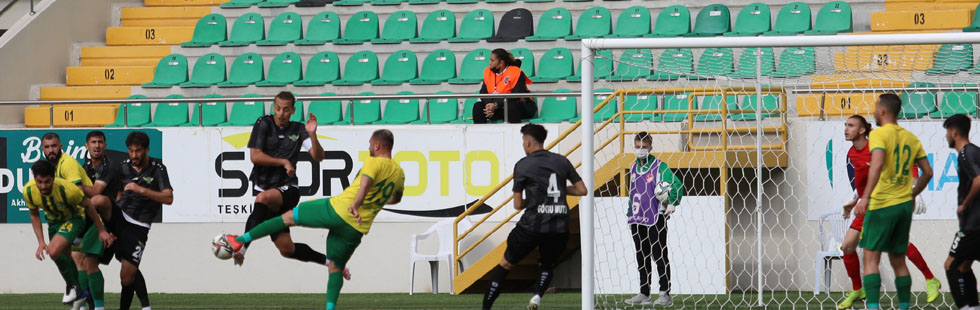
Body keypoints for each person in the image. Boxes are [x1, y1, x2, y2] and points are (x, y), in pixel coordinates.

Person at [224, 129, 404, 310]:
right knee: (336, 267)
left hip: (337, 209)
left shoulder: (374, 162)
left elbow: (365, 183)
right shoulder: (398, 173)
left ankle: (240, 240)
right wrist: (373, 202)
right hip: (356, 228)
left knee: (287, 218)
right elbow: (396, 199)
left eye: (370, 144)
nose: (369, 147)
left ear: (377, 145)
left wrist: (356, 205)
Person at [837, 115, 941, 309]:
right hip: (867, 205)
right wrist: (853, 201)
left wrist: (915, 191)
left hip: (885, 202)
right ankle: (858, 288)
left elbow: (907, 162)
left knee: (897, 247)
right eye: (845, 125)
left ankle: (930, 279)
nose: (845, 129)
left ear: (862, 130)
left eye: (850, 125)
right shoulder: (852, 153)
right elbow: (863, 182)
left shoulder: (876, 146)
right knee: (847, 247)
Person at [482, 124, 588, 310]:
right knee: (546, 264)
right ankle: (537, 296)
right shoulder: (562, 161)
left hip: (531, 225)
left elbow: (517, 205)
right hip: (559, 226)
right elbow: (582, 190)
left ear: (528, 142)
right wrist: (561, 192)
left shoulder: (523, 165)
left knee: (506, 263)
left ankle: (486, 307)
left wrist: (531, 201)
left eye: (524, 141)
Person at [234, 91, 328, 267]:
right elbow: (255, 156)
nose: (281, 113)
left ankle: (242, 248)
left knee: (262, 198)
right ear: (273, 107)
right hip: (265, 189)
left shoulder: (299, 129)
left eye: (286, 110)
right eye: (277, 108)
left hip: (288, 189)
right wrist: (284, 161)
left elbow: (318, 156)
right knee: (287, 249)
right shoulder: (264, 123)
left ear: (293, 110)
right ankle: (330, 262)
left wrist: (313, 135)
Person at [24, 160, 112, 308]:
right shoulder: (28, 191)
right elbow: (34, 215)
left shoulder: (68, 190)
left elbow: (89, 206)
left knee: (53, 251)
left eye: (47, 182)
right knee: (65, 257)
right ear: (34, 179)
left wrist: (101, 230)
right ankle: (79, 292)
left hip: (75, 220)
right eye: (39, 182)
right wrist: (40, 242)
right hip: (54, 225)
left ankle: (73, 287)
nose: (43, 186)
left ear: (53, 177)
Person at [623, 132, 684, 306]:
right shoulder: (633, 167)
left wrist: (672, 202)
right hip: (637, 218)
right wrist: (630, 214)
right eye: (637, 146)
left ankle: (665, 294)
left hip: (655, 217)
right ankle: (644, 293)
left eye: (644, 147)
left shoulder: (659, 167)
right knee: (641, 256)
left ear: (650, 147)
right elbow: (633, 193)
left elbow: (677, 184)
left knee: (659, 254)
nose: (640, 150)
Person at [114, 131, 173, 310]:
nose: (134, 155)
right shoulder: (123, 167)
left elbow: (168, 198)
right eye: (131, 151)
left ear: (147, 150)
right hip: (120, 218)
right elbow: (117, 193)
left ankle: (145, 306)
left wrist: (141, 190)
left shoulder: (158, 168)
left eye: (138, 151)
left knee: (127, 275)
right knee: (87, 257)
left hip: (140, 224)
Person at [41, 132, 96, 309]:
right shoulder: (50, 168)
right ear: (42, 149)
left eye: (54, 146)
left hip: (83, 216)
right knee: (73, 260)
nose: (51, 150)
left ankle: (87, 301)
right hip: (69, 219)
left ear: (61, 146)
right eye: (47, 147)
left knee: (79, 261)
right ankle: (83, 297)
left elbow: (78, 194)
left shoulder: (67, 163)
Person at [79, 131, 128, 310]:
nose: (97, 145)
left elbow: (96, 193)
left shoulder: (110, 165)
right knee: (83, 262)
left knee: (97, 200)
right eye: (93, 142)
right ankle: (88, 305)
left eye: (100, 142)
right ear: (87, 145)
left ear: (105, 145)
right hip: (93, 219)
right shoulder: (84, 167)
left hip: (110, 217)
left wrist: (73, 186)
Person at [942, 114, 980, 310]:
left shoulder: (967, 153)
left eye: (947, 132)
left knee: (952, 265)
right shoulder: (974, 152)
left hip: (974, 225)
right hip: (974, 224)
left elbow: (978, 180)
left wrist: (964, 204)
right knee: (964, 265)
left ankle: (966, 307)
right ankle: (973, 306)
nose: (946, 136)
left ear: (954, 132)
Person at [473, 48, 536, 124]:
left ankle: (514, 133)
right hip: (497, 108)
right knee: (478, 106)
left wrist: (495, 105)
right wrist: (489, 106)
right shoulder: (488, 72)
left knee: (511, 106)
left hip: (519, 107)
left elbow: (516, 95)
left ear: (501, 63)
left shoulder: (516, 72)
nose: (489, 63)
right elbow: (483, 92)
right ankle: (480, 133)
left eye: (492, 61)